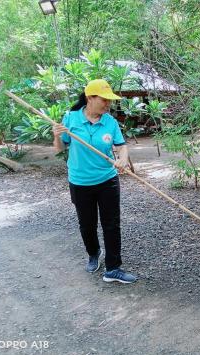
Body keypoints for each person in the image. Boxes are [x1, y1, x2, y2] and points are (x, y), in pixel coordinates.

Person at [52, 79, 137, 284]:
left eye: (110, 100)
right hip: (80, 182)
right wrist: (56, 136)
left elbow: (121, 146)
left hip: (107, 180)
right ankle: (93, 252)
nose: (108, 104)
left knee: (112, 224)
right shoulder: (70, 119)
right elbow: (59, 149)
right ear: (90, 98)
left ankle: (113, 268)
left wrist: (122, 159)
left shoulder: (110, 122)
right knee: (87, 224)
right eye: (104, 100)